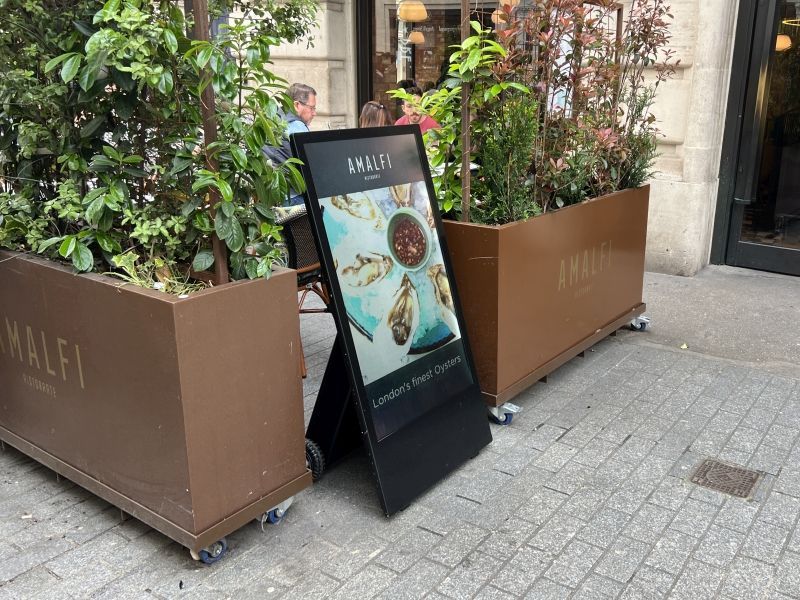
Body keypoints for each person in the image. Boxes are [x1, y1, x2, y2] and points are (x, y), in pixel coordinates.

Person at [264, 82, 318, 206]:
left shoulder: (274, 117)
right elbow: (312, 163)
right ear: (297, 105)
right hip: (294, 197)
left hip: (274, 194)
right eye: (312, 108)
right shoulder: (296, 126)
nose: (314, 113)